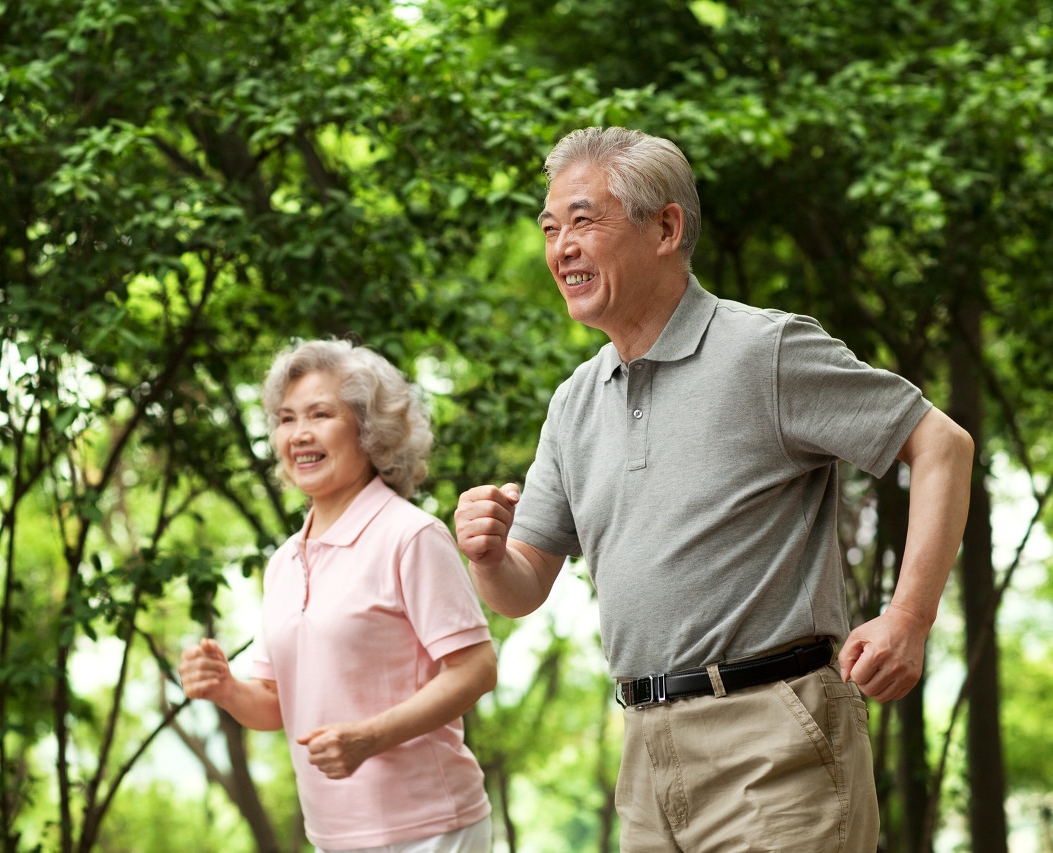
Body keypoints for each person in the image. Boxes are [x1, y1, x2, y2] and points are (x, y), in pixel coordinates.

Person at [453, 127, 974, 852]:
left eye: (583, 220)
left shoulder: (764, 351)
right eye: (549, 229)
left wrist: (909, 619)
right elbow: (521, 588)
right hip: (644, 753)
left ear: (666, 228)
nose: (561, 247)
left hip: (775, 741)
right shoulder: (574, 402)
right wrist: (485, 555)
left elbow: (942, 444)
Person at [181, 339, 496, 853]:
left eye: (320, 414)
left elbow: (476, 669)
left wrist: (370, 737)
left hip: (432, 829)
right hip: (333, 835)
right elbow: (275, 704)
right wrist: (225, 688)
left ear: (370, 431)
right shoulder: (284, 563)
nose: (299, 434)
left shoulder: (410, 535)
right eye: (286, 419)